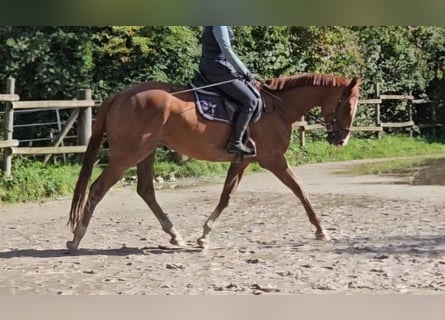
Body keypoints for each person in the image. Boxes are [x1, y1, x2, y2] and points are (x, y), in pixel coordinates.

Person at [198, 26, 260, 156]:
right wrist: (245, 71)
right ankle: (235, 142)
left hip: (216, 66)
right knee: (251, 100)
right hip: (217, 69)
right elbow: (226, 50)